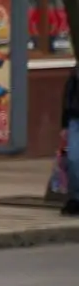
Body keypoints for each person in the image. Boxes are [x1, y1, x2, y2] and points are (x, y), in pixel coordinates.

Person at [62, 62, 79, 216]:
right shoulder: (75, 70)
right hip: (75, 119)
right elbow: (68, 96)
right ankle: (75, 198)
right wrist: (64, 125)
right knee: (73, 159)